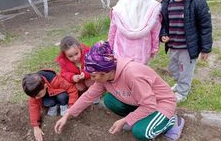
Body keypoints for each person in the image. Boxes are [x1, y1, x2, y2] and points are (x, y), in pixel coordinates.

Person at [54, 41, 185, 141]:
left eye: (94, 76)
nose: (92, 79)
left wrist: (125, 120)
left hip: (160, 103)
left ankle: (172, 122)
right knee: (110, 101)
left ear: (106, 72)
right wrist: (67, 115)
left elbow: (149, 104)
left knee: (141, 132)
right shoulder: (104, 77)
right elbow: (88, 96)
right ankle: (141, 118)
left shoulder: (132, 75)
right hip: (141, 101)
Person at [160, 0, 212, 102]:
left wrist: (205, 49)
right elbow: (164, 23)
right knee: (173, 69)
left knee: (185, 71)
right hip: (173, 45)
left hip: (187, 47)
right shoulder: (167, 2)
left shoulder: (197, 1)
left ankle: (182, 92)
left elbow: (205, 26)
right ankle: (180, 84)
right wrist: (163, 34)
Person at [22, 69, 78, 141]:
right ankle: (54, 106)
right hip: (49, 95)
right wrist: (35, 127)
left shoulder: (55, 80)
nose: (36, 98)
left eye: (38, 95)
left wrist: (70, 107)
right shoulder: (35, 90)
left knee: (62, 97)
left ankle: (63, 106)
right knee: (48, 102)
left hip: (59, 92)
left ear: (45, 86)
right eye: (34, 96)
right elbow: (33, 107)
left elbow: (72, 89)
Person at [108, 0, 161, 64]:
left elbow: (112, 32)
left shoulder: (119, 7)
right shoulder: (151, 6)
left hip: (121, 54)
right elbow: (156, 32)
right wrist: (154, 49)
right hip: (142, 53)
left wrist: (110, 48)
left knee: (123, 73)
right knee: (140, 73)